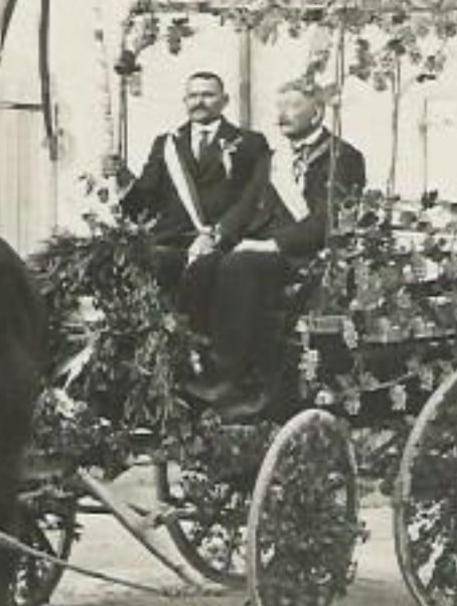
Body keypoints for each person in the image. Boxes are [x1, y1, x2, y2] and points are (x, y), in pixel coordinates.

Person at [197, 79, 366, 420]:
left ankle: (233, 378)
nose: (281, 116)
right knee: (206, 263)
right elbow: (245, 208)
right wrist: (215, 236)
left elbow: (326, 222)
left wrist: (271, 244)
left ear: (317, 112)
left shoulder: (343, 157)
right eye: (279, 107)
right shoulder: (274, 159)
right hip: (267, 249)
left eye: (292, 107)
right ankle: (202, 365)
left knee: (240, 265)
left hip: (307, 254)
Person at [104, 70, 272, 330]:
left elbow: (252, 200)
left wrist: (217, 235)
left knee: (206, 273)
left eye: (207, 95)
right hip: (173, 241)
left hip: (223, 243)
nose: (199, 101)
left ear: (224, 101)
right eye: (192, 95)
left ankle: (195, 347)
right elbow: (144, 202)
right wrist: (123, 178)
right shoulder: (167, 144)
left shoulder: (249, 143)